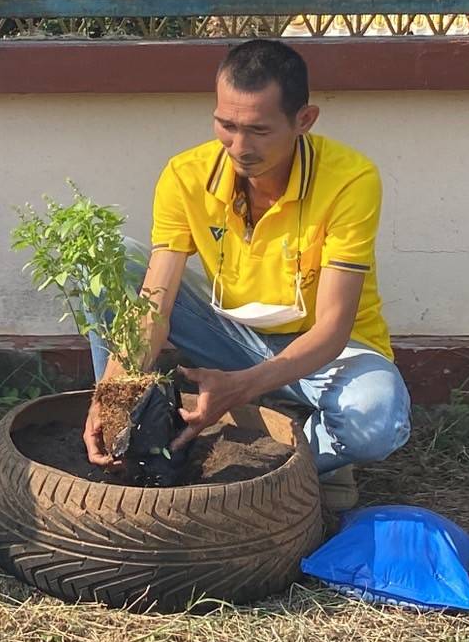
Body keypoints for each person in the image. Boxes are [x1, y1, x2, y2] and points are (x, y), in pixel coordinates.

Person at [83, 39, 410, 511]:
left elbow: (333, 329)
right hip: (229, 335)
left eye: (258, 130)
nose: (240, 147)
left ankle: (293, 460)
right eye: (227, 125)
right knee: (112, 261)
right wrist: (113, 393)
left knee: (377, 420)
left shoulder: (350, 180)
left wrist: (241, 386)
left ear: (304, 120)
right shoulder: (186, 176)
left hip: (325, 351)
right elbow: (155, 302)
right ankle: (133, 435)